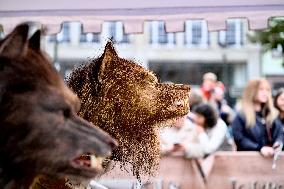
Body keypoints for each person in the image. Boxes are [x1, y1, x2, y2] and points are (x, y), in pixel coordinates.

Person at [232, 78, 283, 157]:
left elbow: (280, 133)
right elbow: (240, 139)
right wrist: (259, 148)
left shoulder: (272, 114)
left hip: (271, 160)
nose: (265, 93)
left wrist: (278, 143)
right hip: (249, 160)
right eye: (261, 89)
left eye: (267, 90)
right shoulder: (241, 115)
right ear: (252, 91)